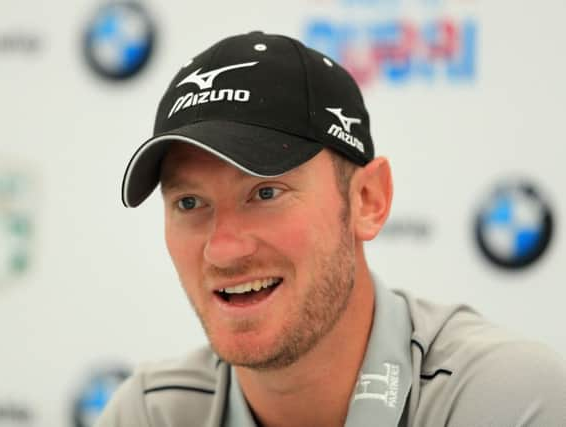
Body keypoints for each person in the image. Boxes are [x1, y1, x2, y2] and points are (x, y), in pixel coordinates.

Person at [97, 31, 566, 427]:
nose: (222, 249)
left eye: (265, 193)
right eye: (189, 202)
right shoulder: (149, 414)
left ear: (368, 200)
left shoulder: (506, 402)